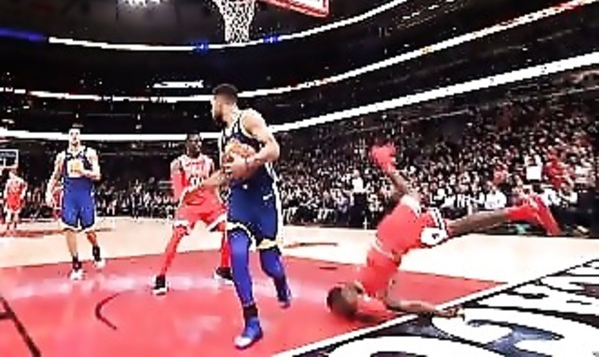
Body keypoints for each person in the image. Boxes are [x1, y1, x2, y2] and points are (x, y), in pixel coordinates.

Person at [327, 143, 561, 321]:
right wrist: (438, 311)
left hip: (399, 241)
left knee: (459, 227)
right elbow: (408, 306)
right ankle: (385, 163)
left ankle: (524, 210)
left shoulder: (363, 292)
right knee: (414, 195)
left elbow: (367, 301)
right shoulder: (369, 289)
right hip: (386, 234)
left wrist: (363, 309)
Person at [212, 83, 291, 349]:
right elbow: (226, 174)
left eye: (212, 104)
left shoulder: (248, 118)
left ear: (221, 101)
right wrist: (203, 187)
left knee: (270, 266)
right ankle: (252, 321)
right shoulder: (222, 138)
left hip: (263, 199)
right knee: (237, 256)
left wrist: (248, 162)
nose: (211, 109)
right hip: (239, 201)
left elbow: (274, 149)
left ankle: (281, 281)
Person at [153, 133, 232, 295]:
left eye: (199, 141)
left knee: (229, 229)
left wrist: (219, 202)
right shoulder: (178, 164)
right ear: (187, 144)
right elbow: (178, 194)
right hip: (189, 204)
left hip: (208, 203)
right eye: (194, 141)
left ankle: (223, 269)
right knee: (177, 236)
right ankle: (160, 276)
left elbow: (214, 185)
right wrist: (188, 194)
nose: (198, 144)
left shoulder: (208, 162)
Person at [45, 127, 105, 280]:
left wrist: (83, 171)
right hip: (69, 197)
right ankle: (76, 264)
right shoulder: (61, 157)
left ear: (80, 137)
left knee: (89, 231)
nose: (74, 136)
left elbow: (97, 175)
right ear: (68, 137)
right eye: (71, 134)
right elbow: (55, 176)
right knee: (68, 228)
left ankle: (96, 248)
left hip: (84, 196)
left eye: (76, 134)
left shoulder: (89, 153)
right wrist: (48, 192)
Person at [3, 168, 27, 235]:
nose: (9, 175)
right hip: (11, 197)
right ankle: (7, 228)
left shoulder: (20, 181)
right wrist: (5, 195)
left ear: (13, 174)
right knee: (9, 213)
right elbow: (6, 189)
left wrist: (23, 194)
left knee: (16, 213)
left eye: (10, 174)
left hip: (17, 198)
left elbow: (25, 187)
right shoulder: (9, 181)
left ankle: (14, 228)